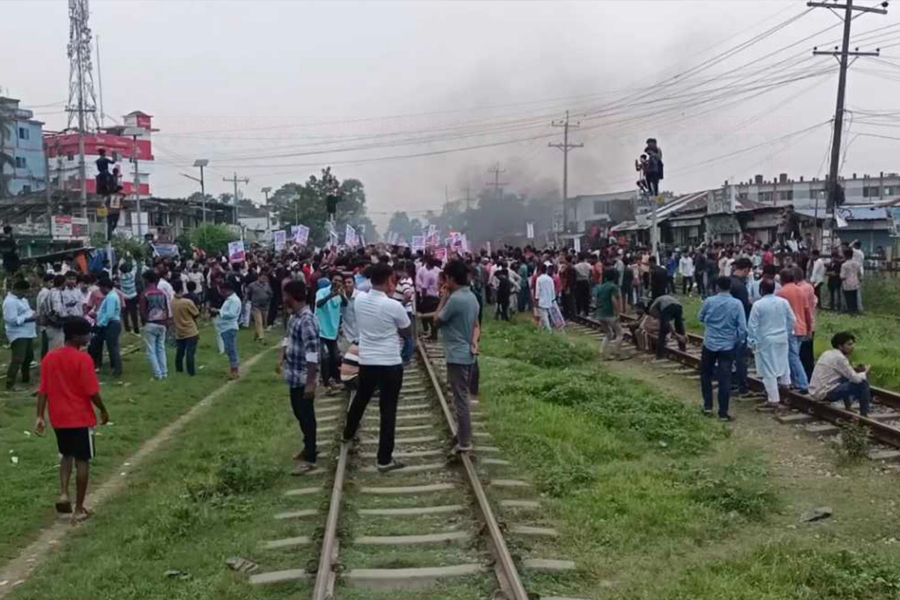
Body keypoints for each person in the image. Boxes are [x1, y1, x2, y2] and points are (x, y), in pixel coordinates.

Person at [34, 317, 109, 523]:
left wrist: (40, 416)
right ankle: (78, 509)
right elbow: (92, 391)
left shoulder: (50, 357)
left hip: (58, 418)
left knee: (66, 455)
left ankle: (64, 493)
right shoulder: (83, 359)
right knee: (83, 460)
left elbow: (43, 391)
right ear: (77, 336)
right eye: (87, 334)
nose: (90, 337)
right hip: (80, 418)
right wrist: (103, 409)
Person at [342, 262, 412, 472]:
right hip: (390, 363)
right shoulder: (394, 306)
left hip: (368, 362)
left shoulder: (360, 301)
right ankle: (384, 459)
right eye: (394, 280)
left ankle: (347, 433)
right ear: (389, 280)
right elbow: (407, 332)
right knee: (388, 410)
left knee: (361, 399)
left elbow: (361, 292)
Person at [430, 260, 480, 453]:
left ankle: (465, 442)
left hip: (457, 356)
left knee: (460, 400)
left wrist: (443, 298)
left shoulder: (455, 299)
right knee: (462, 396)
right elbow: (476, 325)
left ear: (451, 278)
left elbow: (437, 320)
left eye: (446, 278)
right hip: (467, 353)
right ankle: (462, 435)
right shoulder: (472, 297)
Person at [279, 279, 320, 474]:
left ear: (293, 296)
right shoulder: (294, 317)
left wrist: (310, 383)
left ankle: (311, 458)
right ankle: (308, 447)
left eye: (285, 294)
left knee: (306, 416)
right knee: (299, 414)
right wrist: (283, 354)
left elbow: (313, 352)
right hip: (294, 376)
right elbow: (289, 338)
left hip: (304, 378)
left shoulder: (306, 320)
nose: (283, 298)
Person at [697, 276, 747, 421]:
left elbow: (700, 317)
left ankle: (707, 406)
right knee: (724, 378)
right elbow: (743, 328)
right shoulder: (737, 304)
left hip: (709, 343)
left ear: (717, 287)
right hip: (727, 346)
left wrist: (710, 323)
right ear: (730, 287)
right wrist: (736, 340)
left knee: (706, 374)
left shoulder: (709, 301)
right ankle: (723, 412)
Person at [747, 279, 794, 409]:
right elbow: (792, 319)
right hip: (782, 337)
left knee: (768, 369)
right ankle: (786, 384)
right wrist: (788, 332)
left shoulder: (758, 305)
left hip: (766, 339)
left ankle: (773, 399)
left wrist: (751, 341)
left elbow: (752, 326)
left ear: (761, 290)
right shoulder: (783, 302)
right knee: (783, 362)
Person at [809, 332, 871, 417]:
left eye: (852, 344)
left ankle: (848, 407)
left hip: (816, 391)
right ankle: (865, 414)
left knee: (845, 377)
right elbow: (856, 379)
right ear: (840, 346)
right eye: (849, 344)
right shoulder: (840, 358)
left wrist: (854, 370)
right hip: (824, 393)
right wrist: (864, 373)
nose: (852, 347)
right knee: (863, 383)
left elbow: (847, 373)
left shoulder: (827, 353)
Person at [4, 278, 37, 391]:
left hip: (28, 332)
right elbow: (11, 320)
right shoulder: (9, 302)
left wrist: (34, 314)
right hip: (17, 333)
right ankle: (10, 383)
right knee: (18, 358)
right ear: (17, 290)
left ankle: (25, 378)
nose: (25, 294)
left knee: (29, 357)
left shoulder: (23, 300)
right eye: (24, 292)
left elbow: (27, 311)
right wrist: (29, 318)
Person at [315, 274, 347, 392]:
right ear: (331, 281)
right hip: (321, 329)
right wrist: (330, 295)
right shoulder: (322, 292)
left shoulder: (339, 293)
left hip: (332, 330)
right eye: (335, 280)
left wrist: (341, 295)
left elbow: (345, 304)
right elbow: (318, 304)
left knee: (335, 357)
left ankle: (336, 378)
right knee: (323, 357)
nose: (337, 282)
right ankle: (326, 381)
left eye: (339, 281)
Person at [139, 271, 170, 380]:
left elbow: (142, 311)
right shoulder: (162, 293)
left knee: (151, 350)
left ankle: (158, 374)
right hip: (162, 323)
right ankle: (164, 372)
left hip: (151, 323)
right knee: (161, 348)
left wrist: (144, 322)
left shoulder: (145, 293)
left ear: (146, 280)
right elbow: (166, 308)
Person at [730, 258, 753, 396]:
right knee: (740, 357)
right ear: (746, 270)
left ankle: (731, 382)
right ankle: (742, 386)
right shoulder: (741, 286)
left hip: (726, 325)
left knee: (728, 357)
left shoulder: (728, 282)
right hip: (738, 327)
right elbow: (744, 309)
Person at [213, 281, 243, 380]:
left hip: (229, 327)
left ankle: (235, 370)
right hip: (225, 327)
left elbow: (232, 314)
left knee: (231, 349)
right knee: (229, 349)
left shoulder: (234, 300)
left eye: (222, 291)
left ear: (226, 290)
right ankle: (233, 368)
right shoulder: (229, 299)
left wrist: (218, 311)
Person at [94, 277, 123, 378]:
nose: (100, 291)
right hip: (111, 323)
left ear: (105, 287)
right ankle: (116, 367)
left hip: (112, 324)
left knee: (113, 347)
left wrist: (101, 323)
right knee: (112, 347)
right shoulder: (111, 296)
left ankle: (117, 369)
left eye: (100, 288)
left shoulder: (111, 297)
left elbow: (109, 314)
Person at [594, 268, 624, 359]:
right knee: (620, 333)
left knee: (608, 334)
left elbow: (596, 300)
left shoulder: (600, 287)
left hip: (600, 313)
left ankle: (602, 352)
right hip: (609, 314)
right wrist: (617, 313)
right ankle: (616, 353)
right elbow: (613, 300)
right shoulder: (613, 287)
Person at [172, 280, 200, 376]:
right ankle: (191, 372)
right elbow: (196, 313)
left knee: (180, 352)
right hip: (190, 330)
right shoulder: (187, 302)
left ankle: (179, 370)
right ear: (182, 288)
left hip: (179, 331)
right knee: (190, 353)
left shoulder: (172, 302)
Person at [648, 294, 688, 358]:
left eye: (654, 317)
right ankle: (682, 349)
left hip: (667, 307)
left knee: (662, 332)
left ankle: (659, 355)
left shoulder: (652, 309)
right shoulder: (660, 299)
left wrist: (674, 333)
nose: (654, 318)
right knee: (680, 327)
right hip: (679, 306)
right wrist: (681, 334)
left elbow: (666, 323)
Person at [247, 272, 273, 342]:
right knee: (259, 321)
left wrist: (268, 297)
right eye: (263, 278)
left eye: (265, 278)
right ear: (259, 277)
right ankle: (261, 338)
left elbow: (271, 294)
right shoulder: (252, 285)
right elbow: (248, 294)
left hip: (265, 306)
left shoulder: (267, 285)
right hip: (256, 306)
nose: (264, 279)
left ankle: (256, 335)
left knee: (264, 323)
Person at [118, 263, 140, 335]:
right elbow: (135, 267)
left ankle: (127, 328)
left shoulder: (120, 276)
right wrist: (132, 259)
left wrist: (122, 260)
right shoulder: (132, 275)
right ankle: (136, 328)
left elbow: (118, 268)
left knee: (125, 314)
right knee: (134, 313)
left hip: (124, 297)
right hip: (133, 296)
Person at [36, 273, 54, 359]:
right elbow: (45, 307)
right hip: (45, 320)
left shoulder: (47, 292)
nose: (52, 284)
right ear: (45, 282)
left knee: (47, 343)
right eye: (50, 282)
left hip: (45, 320)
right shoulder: (45, 293)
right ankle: (44, 362)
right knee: (46, 344)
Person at [534, 262, 556, 332]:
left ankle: (549, 330)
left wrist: (536, 298)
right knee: (545, 315)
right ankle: (542, 328)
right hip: (549, 299)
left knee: (544, 316)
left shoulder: (539, 279)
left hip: (542, 299)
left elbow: (538, 290)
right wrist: (553, 298)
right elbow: (553, 289)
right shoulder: (550, 279)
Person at [840, 247, 862, 315]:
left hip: (847, 284)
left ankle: (850, 312)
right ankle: (855, 311)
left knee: (848, 298)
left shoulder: (844, 265)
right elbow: (859, 273)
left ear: (845, 255)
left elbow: (842, 276)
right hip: (855, 283)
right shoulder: (857, 264)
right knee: (854, 298)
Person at [852, 240, 865, 312]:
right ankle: (859, 307)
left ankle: (858, 307)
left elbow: (848, 247)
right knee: (857, 290)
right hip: (860, 271)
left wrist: (853, 241)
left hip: (857, 272)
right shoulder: (861, 253)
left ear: (856, 246)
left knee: (855, 291)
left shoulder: (855, 252)